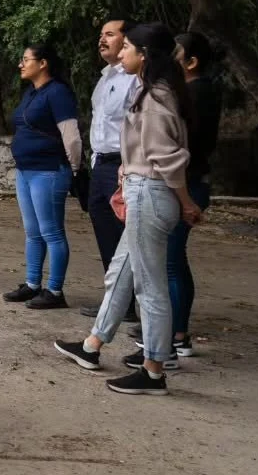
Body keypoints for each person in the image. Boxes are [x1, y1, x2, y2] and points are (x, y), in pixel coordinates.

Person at [54, 23, 199, 396]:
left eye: (127, 48)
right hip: (145, 190)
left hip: (150, 192)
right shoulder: (155, 92)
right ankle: (92, 345)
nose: (121, 54)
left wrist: (185, 202)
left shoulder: (155, 97)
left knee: (149, 287)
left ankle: (154, 369)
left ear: (144, 55)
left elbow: (166, 157)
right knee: (120, 273)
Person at [3, 42, 82, 310]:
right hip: (26, 170)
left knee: (52, 232)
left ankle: (55, 290)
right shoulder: (32, 93)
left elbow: (71, 135)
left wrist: (74, 169)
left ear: (43, 63)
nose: (21, 64)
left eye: (26, 59)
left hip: (48, 170)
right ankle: (32, 284)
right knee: (33, 232)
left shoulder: (57, 92)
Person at [164, 31, 222, 358]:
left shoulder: (198, 94)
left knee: (172, 260)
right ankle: (172, 328)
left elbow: (184, 145)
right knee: (172, 259)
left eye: (175, 53)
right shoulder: (191, 92)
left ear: (191, 62)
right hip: (185, 182)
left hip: (188, 184)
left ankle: (177, 334)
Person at [81, 19, 139, 320]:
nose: (101, 40)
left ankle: (136, 306)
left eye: (110, 35)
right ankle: (118, 303)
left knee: (126, 237)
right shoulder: (105, 78)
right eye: (100, 35)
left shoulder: (136, 80)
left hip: (122, 165)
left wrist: (128, 165)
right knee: (106, 236)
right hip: (101, 164)